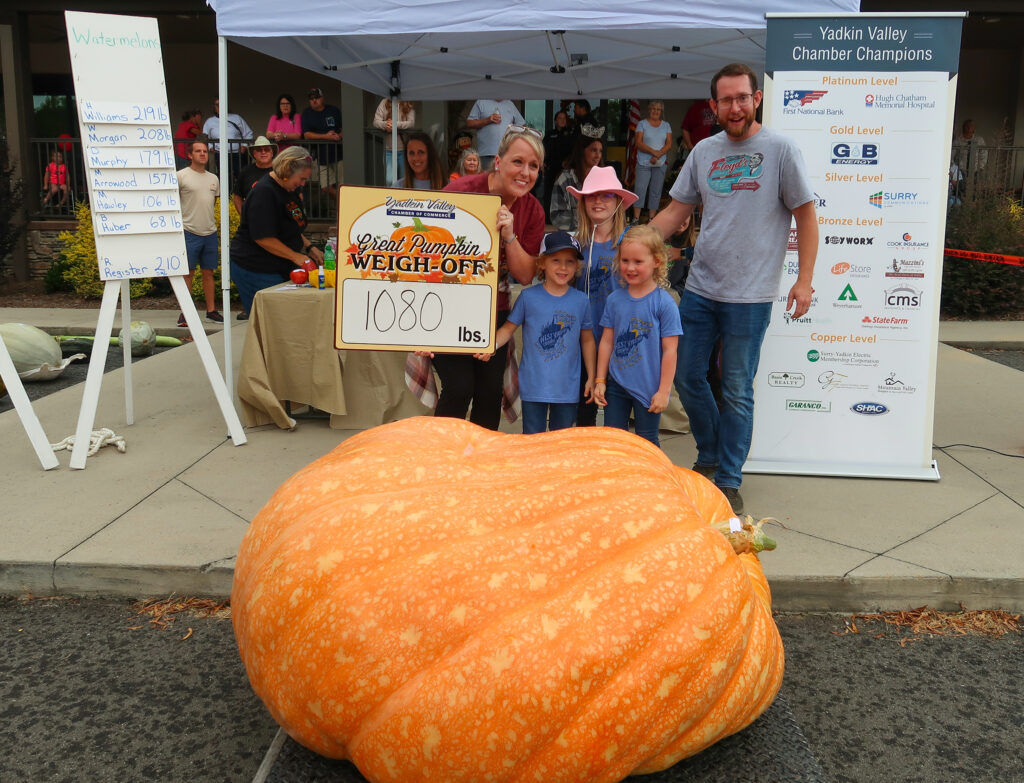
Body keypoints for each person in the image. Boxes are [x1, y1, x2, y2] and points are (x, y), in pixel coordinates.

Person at [650, 62, 817, 515]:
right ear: (714, 106)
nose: (735, 106)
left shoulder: (781, 149)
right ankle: (709, 454)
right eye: (726, 100)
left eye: (742, 97)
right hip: (702, 288)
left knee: (738, 388)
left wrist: (804, 279)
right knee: (687, 375)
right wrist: (638, 243)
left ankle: (727, 477)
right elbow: (675, 212)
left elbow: (805, 215)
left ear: (756, 98)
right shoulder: (704, 152)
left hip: (752, 295)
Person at [413, 126, 546, 431]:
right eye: (518, 162)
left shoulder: (533, 210)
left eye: (533, 166)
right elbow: (422, 255)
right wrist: (420, 324)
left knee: (489, 392)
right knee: (459, 387)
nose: (525, 172)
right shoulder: (460, 193)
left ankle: (480, 466)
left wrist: (510, 237)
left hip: (493, 310)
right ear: (498, 161)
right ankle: (444, 461)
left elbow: (525, 275)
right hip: (446, 303)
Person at [475, 231, 596, 434]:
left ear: (577, 266)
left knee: (561, 441)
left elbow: (588, 341)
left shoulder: (581, 300)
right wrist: (489, 346)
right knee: (532, 441)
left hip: (567, 387)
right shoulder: (528, 297)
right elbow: (507, 329)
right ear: (541, 263)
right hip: (533, 385)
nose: (563, 267)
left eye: (570, 261)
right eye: (556, 260)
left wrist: (592, 377)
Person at [593, 225, 682, 447]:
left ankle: (654, 482)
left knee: (647, 443)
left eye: (638, 262)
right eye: (625, 261)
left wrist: (663, 392)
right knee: (614, 441)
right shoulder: (614, 300)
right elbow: (606, 342)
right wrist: (600, 380)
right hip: (616, 385)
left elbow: (671, 350)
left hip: (649, 388)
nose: (630, 267)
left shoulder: (664, 303)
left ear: (657, 262)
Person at [566, 165, 637, 426]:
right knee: (583, 413)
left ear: (618, 201)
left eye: (606, 195)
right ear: (583, 202)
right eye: (592, 195)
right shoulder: (574, 245)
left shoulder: (630, 242)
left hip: (619, 343)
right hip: (582, 342)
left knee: (616, 418)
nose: (598, 200)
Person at [229, 146, 325, 319]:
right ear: (287, 170)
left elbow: (289, 224)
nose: (303, 184)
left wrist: (309, 247)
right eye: (301, 179)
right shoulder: (264, 193)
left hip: (279, 265)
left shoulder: (290, 188)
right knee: (271, 321)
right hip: (256, 267)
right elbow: (263, 237)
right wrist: (297, 257)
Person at [176, 138, 222, 325]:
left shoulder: (214, 178)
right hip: (188, 231)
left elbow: (213, 202)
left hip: (209, 232)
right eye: (198, 151)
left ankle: (211, 310)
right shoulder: (181, 176)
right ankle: (185, 313)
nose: (203, 154)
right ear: (190, 155)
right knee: (187, 274)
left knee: (208, 272)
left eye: (205, 151)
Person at [549, 134, 605, 232]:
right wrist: (586, 221)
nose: (598, 156)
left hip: (599, 236)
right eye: (593, 150)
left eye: (600, 151)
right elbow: (556, 217)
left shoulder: (605, 178)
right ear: (582, 151)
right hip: (572, 237)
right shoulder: (566, 179)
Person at [631, 100, 673, 224]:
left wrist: (658, 155)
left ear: (661, 112)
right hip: (644, 162)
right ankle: (636, 219)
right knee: (640, 189)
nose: (656, 111)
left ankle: (652, 219)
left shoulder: (666, 125)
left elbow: (669, 144)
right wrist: (653, 152)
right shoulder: (642, 123)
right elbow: (638, 142)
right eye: (653, 108)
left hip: (659, 162)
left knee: (656, 191)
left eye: (658, 109)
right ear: (649, 110)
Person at [301, 87, 343, 199]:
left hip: (339, 154)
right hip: (322, 155)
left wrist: (339, 135)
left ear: (322, 98)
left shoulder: (333, 110)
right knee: (325, 186)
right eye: (311, 98)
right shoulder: (307, 113)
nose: (314, 100)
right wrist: (326, 136)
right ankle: (344, 200)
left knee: (343, 185)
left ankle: (341, 210)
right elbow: (306, 135)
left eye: (317, 97)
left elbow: (344, 127)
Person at [466, 98, 525, 171]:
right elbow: (470, 123)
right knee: (487, 180)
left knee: (504, 180)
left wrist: (512, 133)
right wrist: (488, 120)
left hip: (506, 153)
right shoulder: (481, 102)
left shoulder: (509, 104)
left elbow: (522, 126)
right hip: (486, 154)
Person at [202, 98, 252, 180]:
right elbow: (205, 137)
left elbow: (248, 133)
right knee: (224, 177)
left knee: (241, 176)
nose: (219, 106)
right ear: (214, 107)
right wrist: (210, 147)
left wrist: (244, 146)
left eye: (221, 104)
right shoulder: (210, 122)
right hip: (220, 154)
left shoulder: (237, 118)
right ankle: (227, 193)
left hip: (237, 154)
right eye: (217, 105)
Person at [231, 135, 278, 216]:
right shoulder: (245, 172)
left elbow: (294, 195)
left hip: (277, 223)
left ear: (272, 153)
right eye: (259, 150)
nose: (263, 152)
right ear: (254, 153)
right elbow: (237, 196)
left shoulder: (280, 171)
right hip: (253, 223)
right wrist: (244, 217)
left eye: (266, 149)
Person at [373, 98, 415, 182]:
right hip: (389, 150)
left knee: (405, 180)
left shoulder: (408, 102)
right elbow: (375, 121)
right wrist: (386, 125)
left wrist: (395, 124)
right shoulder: (384, 102)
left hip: (404, 149)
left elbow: (411, 123)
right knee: (389, 180)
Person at [543, 109, 574, 217]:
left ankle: (563, 217)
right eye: (560, 118)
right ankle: (547, 217)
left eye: (564, 118)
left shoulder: (570, 134)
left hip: (564, 169)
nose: (562, 120)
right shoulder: (549, 134)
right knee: (548, 193)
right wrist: (542, 162)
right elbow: (542, 149)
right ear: (555, 121)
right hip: (551, 168)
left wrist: (568, 162)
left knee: (564, 193)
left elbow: (573, 152)